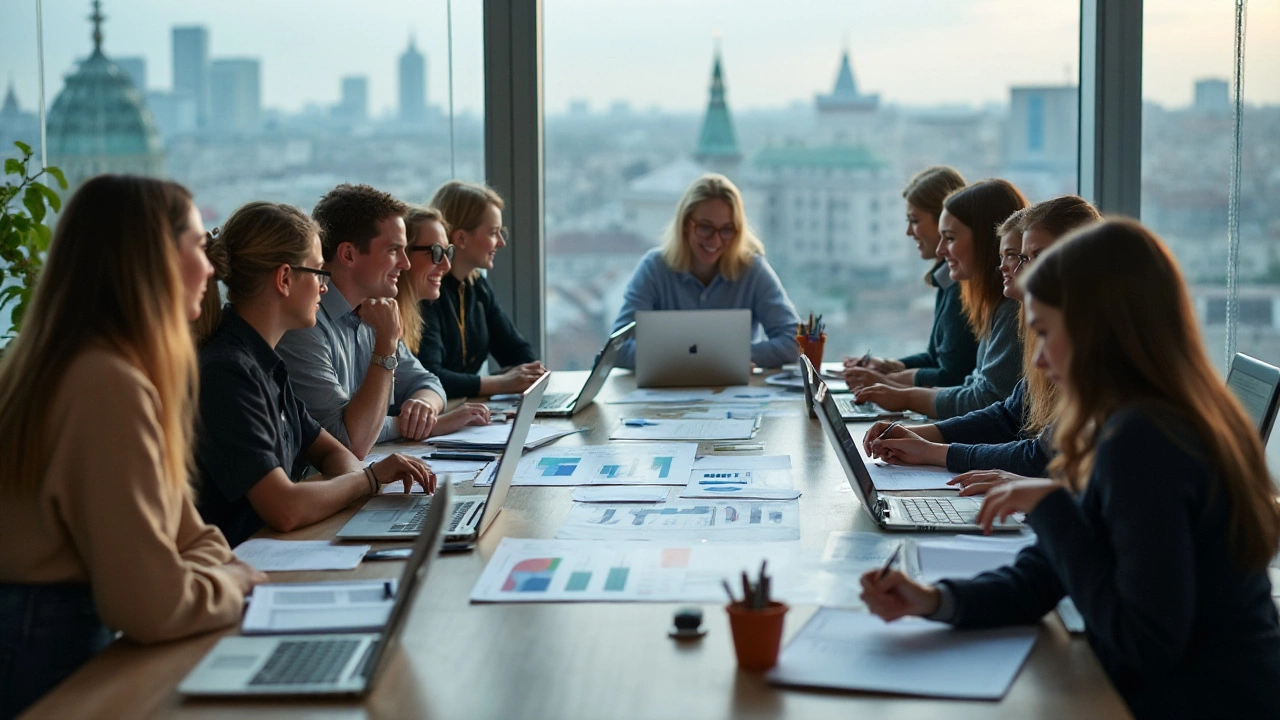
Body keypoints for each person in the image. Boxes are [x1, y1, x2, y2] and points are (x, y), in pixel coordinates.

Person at [859, 219, 1280, 719]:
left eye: (1044, 333)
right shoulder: (1132, 419)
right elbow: (1045, 575)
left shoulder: (1146, 441)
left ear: (1097, 332)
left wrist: (1053, 507)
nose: (1035, 359)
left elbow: (1142, 645)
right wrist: (932, 601)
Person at [0, 176, 265, 718]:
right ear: (153, 260)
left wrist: (215, 571)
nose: (212, 268)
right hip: (48, 656)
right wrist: (233, 582)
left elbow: (187, 531)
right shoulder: (104, 383)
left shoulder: (81, 367)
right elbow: (148, 603)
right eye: (198, 246)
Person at [193, 202, 440, 546]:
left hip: (278, 549)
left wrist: (359, 477)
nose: (326, 287)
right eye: (319, 273)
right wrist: (368, 479)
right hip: (242, 563)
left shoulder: (265, 363)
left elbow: (334, 452)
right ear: (284, 279)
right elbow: (285, 508)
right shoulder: (228, 371)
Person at [863, 196, 1102, 483]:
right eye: (1022, 258)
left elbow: (1041, 456)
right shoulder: (1046, 325)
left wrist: (937, 451)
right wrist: (921, 438)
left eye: (1033, 257)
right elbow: (1008, 416)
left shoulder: (1090, 342)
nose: (1017, 269)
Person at [277, 184, 488, 460]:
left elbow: (428, 382)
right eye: (393, 250)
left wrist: (423, 406)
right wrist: (420, 425)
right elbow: (349, 440)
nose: (405, 263)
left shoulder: (373, 311)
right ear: (349, 254)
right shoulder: (305, 326)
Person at [852, 179, 1027, 419]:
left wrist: (903, 394)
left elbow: (983, 398)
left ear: (986, 241)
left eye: (951, 238)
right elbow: (971, 385)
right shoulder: (993, 304)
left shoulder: (1011, 311)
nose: (940, 251)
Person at [611, 173, 801, 368]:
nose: (715, 240)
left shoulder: (752, 270)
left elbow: (794, 342)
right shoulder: (654, 269)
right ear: (685, 225)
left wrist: (736, 357)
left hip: (735, 394)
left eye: (726, 230)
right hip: (667, 394)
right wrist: (694, 359)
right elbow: (617, 349)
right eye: (705, 228)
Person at [844, 166, 976, 389]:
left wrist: (887, 382)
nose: (909, 232)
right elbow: (935, 359)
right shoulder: (946, 279)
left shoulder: (961, 287)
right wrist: (888, 366)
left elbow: (953, 376)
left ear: (944, 222)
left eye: (914, 221)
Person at [417, 181, 545, 398]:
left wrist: (517, 375)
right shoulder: (427, 292)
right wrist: (501, 382)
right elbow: (432, 377)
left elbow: (519, 354)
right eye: (494, 233)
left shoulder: (478, 287)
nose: (502, 243)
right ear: (460, 239)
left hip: (459, 411)